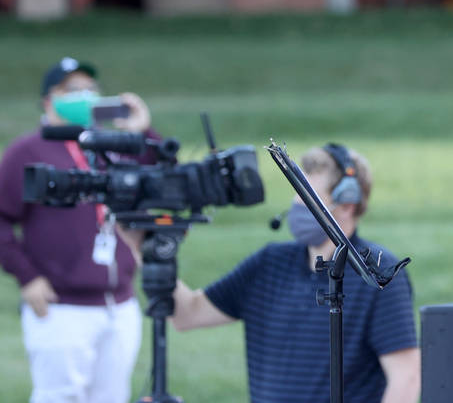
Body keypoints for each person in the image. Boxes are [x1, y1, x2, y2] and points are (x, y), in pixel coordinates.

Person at [169, 143, 420, 403]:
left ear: (347, 204)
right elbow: (187, 314)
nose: (297, 206)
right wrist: (147, 250)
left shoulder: (376, 273)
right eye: (297, 196)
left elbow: (406, 377)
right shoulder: (268, 264)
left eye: (308, 197)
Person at [0, 56, 155, 403]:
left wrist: (142, 131)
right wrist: (27, 276)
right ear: (48, 99)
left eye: (90, 89)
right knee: (61, 396)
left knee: (112, 397)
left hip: (119, 304)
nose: (84, 96)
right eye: (72, 89)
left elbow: (160, 175)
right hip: (61, 305)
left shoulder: (105, 146)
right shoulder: (26, 151)